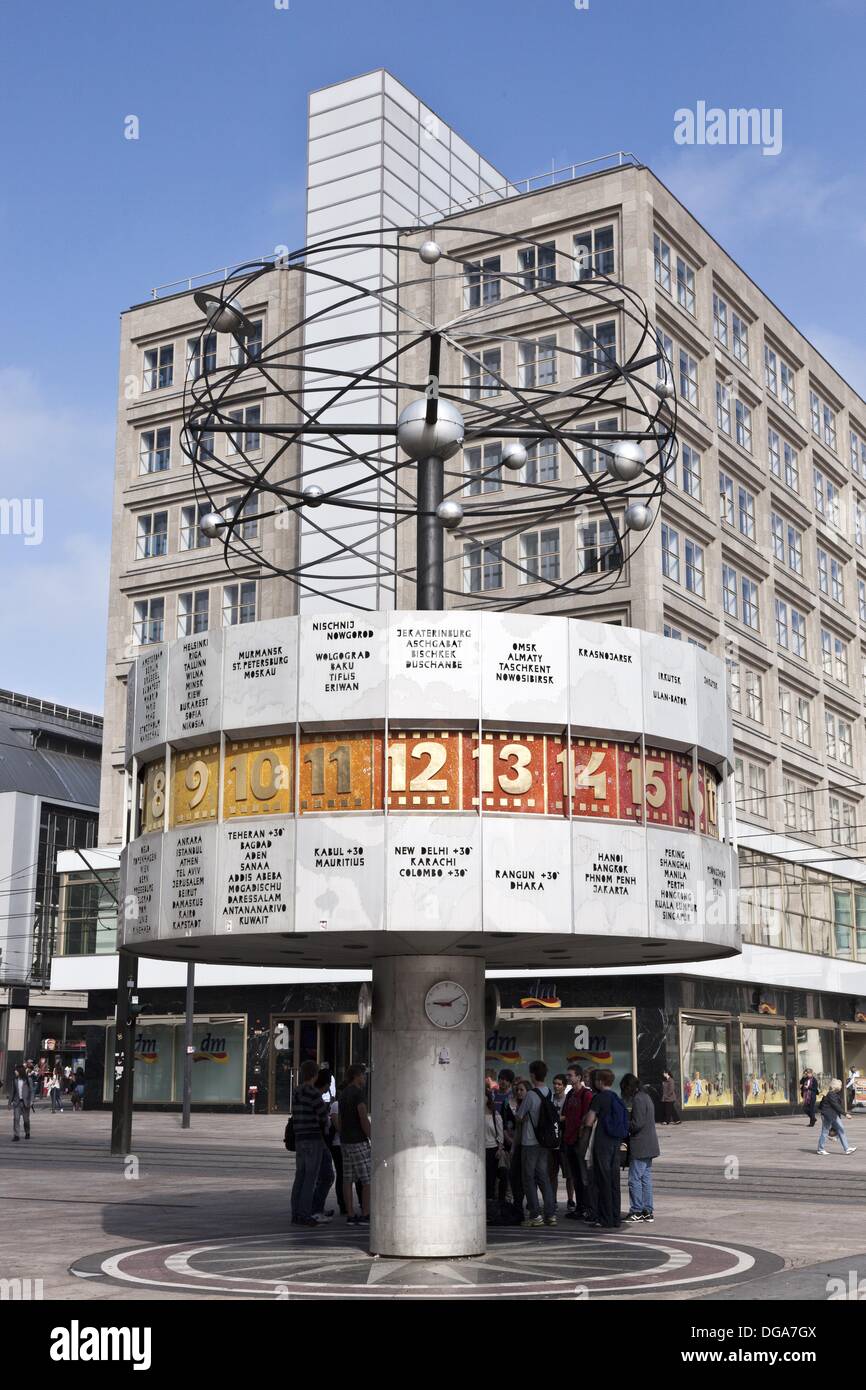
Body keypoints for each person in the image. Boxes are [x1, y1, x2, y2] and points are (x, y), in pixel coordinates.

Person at [582, 1069, 629, 1230]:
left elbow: (589, 1121)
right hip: (615, 1143)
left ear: (600, 1081)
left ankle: (605, 1218)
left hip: (602, 1143)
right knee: (614, 1181)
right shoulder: (616, 1097)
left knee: (603, 1181)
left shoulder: (599, 1098)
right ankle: (616, 1217)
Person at [516, 1059, 557, 1228]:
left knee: (528, 1178)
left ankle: (535, 1215)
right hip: (544, 1142)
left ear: (532, 1075)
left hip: (530, 1141)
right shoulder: (549, 1092)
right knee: (543, 1177)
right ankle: (551, 1214)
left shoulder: (531, 1095)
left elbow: (519, 1116)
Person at [290, 1059, 329, 1227]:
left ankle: (295, 1213)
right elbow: (323, 1114)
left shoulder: (296, 1092)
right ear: (315, 1075)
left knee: (300, 1176)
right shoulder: (313, 1092)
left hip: (299, 1138)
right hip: (313, 1138)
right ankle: (305, 1214)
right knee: (310, 1178)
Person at [621, 1074, 659, 1223]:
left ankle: (636, 1210)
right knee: (646, 1178)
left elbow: (637, 1123)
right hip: (650, 1143)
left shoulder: (637, 1099)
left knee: (634, 1179)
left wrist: (625, 1125)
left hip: (640, 1144)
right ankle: (647, 1210)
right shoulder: (646, 1096)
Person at [336, 1064, 371, 1224]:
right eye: (363, 1075)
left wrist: (344, 1134)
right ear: (357, 1076)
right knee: (367, 1179)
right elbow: (363, 1116)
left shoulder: (343, 1094)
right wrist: (371, 1136)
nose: (364, 1078)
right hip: (358, 1140)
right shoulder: (358, 1093)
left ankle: (350, 1214)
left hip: (345, 1141)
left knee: (347, 1179)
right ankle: (365, 1213)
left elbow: (341, 1119)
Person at [562, 1065, 593, 1219]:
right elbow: (565, 1115)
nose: (568, 1078)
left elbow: (587, 1117)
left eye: (570, 1075)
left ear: (579, 1077)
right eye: (567, 1076)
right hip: (569, 1140)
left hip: (579, 1141)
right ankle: (580, 1207)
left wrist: (581, 1136)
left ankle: (586, 1207)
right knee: (575, 1176)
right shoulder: (570, 1095)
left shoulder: (586, 1094)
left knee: (583, 1176)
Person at [310, 1065, 336, 1223]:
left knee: (319, 1176)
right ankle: (316, 1209)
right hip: (318, 1141)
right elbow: (322, 1120)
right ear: (326, 1085)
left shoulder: (310, 1095)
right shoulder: (317, 1098)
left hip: (312, 1140)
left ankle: (316, 1207)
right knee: (327, 1176)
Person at [550, 1073, 576, 1211]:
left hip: (564, 1140)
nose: (556, 1086)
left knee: (569, 1174)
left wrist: (560, 1119)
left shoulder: (568, 1100)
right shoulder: (550, 1099)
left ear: (564, 1086)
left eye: (559, 1084)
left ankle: (570, 1199)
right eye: (555, 1083)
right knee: (552, 1173)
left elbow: (569, 1117)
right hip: (552, 1142)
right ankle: (553, 1199)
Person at [817, 1080, 857, 1156]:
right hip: (828, 1115)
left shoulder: (834, 1094)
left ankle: (847, 1148)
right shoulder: (831, 1094)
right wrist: (845, 1114)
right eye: (840, 1085)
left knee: (841, 1129)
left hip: (833, 1115)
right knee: (825, 1131)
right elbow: (836, 1106)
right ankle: (820, 1149)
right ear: (836, 1086)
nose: (841, 1087)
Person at [508, 1078, 529, 1216]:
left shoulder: (528, 1106)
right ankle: (518, 1206)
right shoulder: (515, 1105)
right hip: (519, 1145)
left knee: (524, 1178)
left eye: (522, 1090)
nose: (519, 1092)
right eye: (518, 1090)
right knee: (514, 1176)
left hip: (528, 1146)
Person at [484, 1087, 505, 1199]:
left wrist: (500, 1148)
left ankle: (490, 1200)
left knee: (491, 1177)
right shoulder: (474, 1114)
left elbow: (500, 1133)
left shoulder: (494, 1114)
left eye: (484, 1095)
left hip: (492, 1149)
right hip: (480, 1149)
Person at [8, 1064, 34, 1142]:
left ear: (20, 1071)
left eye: (16, 1070)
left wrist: (31, 1100)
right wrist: (9, 1103)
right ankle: (16, 1135)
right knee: (16, 1119)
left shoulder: (28, 1079)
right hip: (17, 1103)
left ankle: (27, 1132)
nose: (15, 1071)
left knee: (26, 1120)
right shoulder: (15, 1080)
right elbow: (12, 1092)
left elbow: (32, 1091)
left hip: (26, 1103)